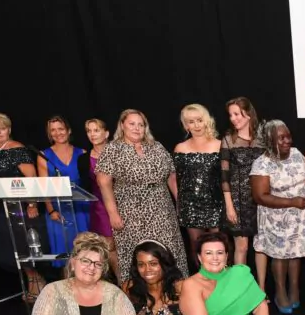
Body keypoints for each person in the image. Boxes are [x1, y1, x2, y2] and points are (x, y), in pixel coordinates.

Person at [95, 109, 189, 280]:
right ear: (122, 125)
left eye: (141, 124)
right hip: (131, 213)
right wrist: (113, 213)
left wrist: (179, 203)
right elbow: (104, 182)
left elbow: (172, 176)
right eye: (132, 124)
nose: (137, 128)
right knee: (137, 255)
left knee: (168, 252)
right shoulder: (112, 149)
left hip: (162, 210)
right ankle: (138, 299)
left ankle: (175, 292)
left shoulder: (156, 146)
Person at [0, 112, 48, 302]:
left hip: (19, 205)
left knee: (23, 244)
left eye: (2, 128)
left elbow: (31, 179)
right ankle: (30, 282)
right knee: (9, 247)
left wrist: (32, 203)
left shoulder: (17, 148)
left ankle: (37, 281)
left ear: (9, 129)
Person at [251, 120, 305, 313]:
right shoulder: (262, 163)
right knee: (281, 255)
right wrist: (291, 201)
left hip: (299, 215)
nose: (287, 140)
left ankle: (294, 289)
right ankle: (280, 292)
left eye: (288, 136)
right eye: (281, 138)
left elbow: (304, 176)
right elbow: (260, 196)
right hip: (276, 216)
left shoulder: (296, 154)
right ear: (270, 140)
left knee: (297, 252)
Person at [173, 104, 224, 271]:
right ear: (186, 125)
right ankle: (202, 286)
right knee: (197, 249)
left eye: (199, 120)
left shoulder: (220, 145)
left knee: (218, 247)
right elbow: (177, 180)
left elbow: (226, 179)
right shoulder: (180, 148)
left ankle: (221, 286)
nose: (196, 125)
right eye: (191, 121)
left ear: (206, 121)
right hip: (190, 205)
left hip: (215, 203)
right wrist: (180, 203)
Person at [38, 116, 91, 268]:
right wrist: (51, 210)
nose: (57, 133)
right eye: (52, 130)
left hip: (82, 208)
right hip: (58, 210)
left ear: (68, 130)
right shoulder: (43, 155)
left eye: (60, 129)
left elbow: (89, 183)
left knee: (86, 250)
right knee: (65, 253)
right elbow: (44, 186)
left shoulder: (82, 153)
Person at [220, 97, 265, 274]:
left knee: (261, 248)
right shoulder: (228, 140)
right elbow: (224, 177)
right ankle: (240, 290)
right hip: (237, 202)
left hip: (261, 200)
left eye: (237, 113)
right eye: (230, 115)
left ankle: (259, 290)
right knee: (242, 247)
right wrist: (229, 206)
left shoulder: (263, 139)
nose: (233, 118)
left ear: (248, 113)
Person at [78, 118, 119, 276]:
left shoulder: (118, 153)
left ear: (106, 133)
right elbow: (85, 186)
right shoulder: (83, 159)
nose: (92, 134)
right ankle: (123, 286)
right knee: (109, 246)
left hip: (123, 203)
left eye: (96, 130)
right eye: (89, 131)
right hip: (99, 208)